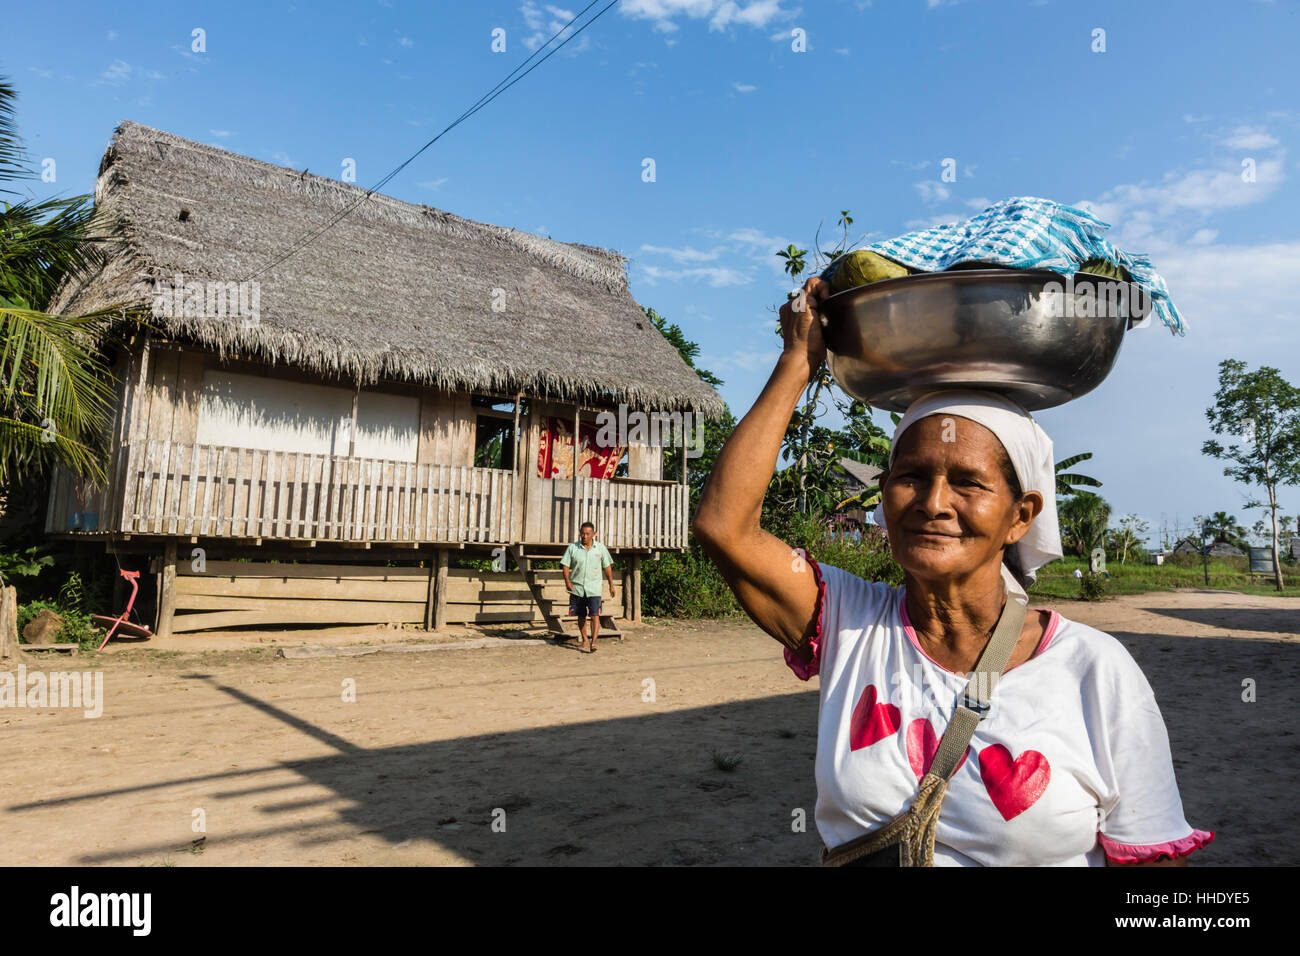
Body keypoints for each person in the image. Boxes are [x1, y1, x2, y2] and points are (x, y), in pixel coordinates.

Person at [691, 275, 1214, 867]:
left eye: (967, 482)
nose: (933, 502)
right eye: (910, 477)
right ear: (885, 494)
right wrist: (796, 362)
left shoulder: (1096, 670)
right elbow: (724, 526)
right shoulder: (847, 622)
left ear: (1021, 515)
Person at [561, 521, 615, 653]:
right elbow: (565, 565)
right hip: (577, 588)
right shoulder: (573, 548)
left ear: (593, 534)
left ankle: (594, 641)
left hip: (594, 588)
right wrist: (567, 581)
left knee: (595, 614)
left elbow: (607, 567)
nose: (584, 536)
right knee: (580, 616)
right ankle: (585, 639)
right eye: (582, 533)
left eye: (587, 534)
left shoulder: (600, 549)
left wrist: (611, 585)